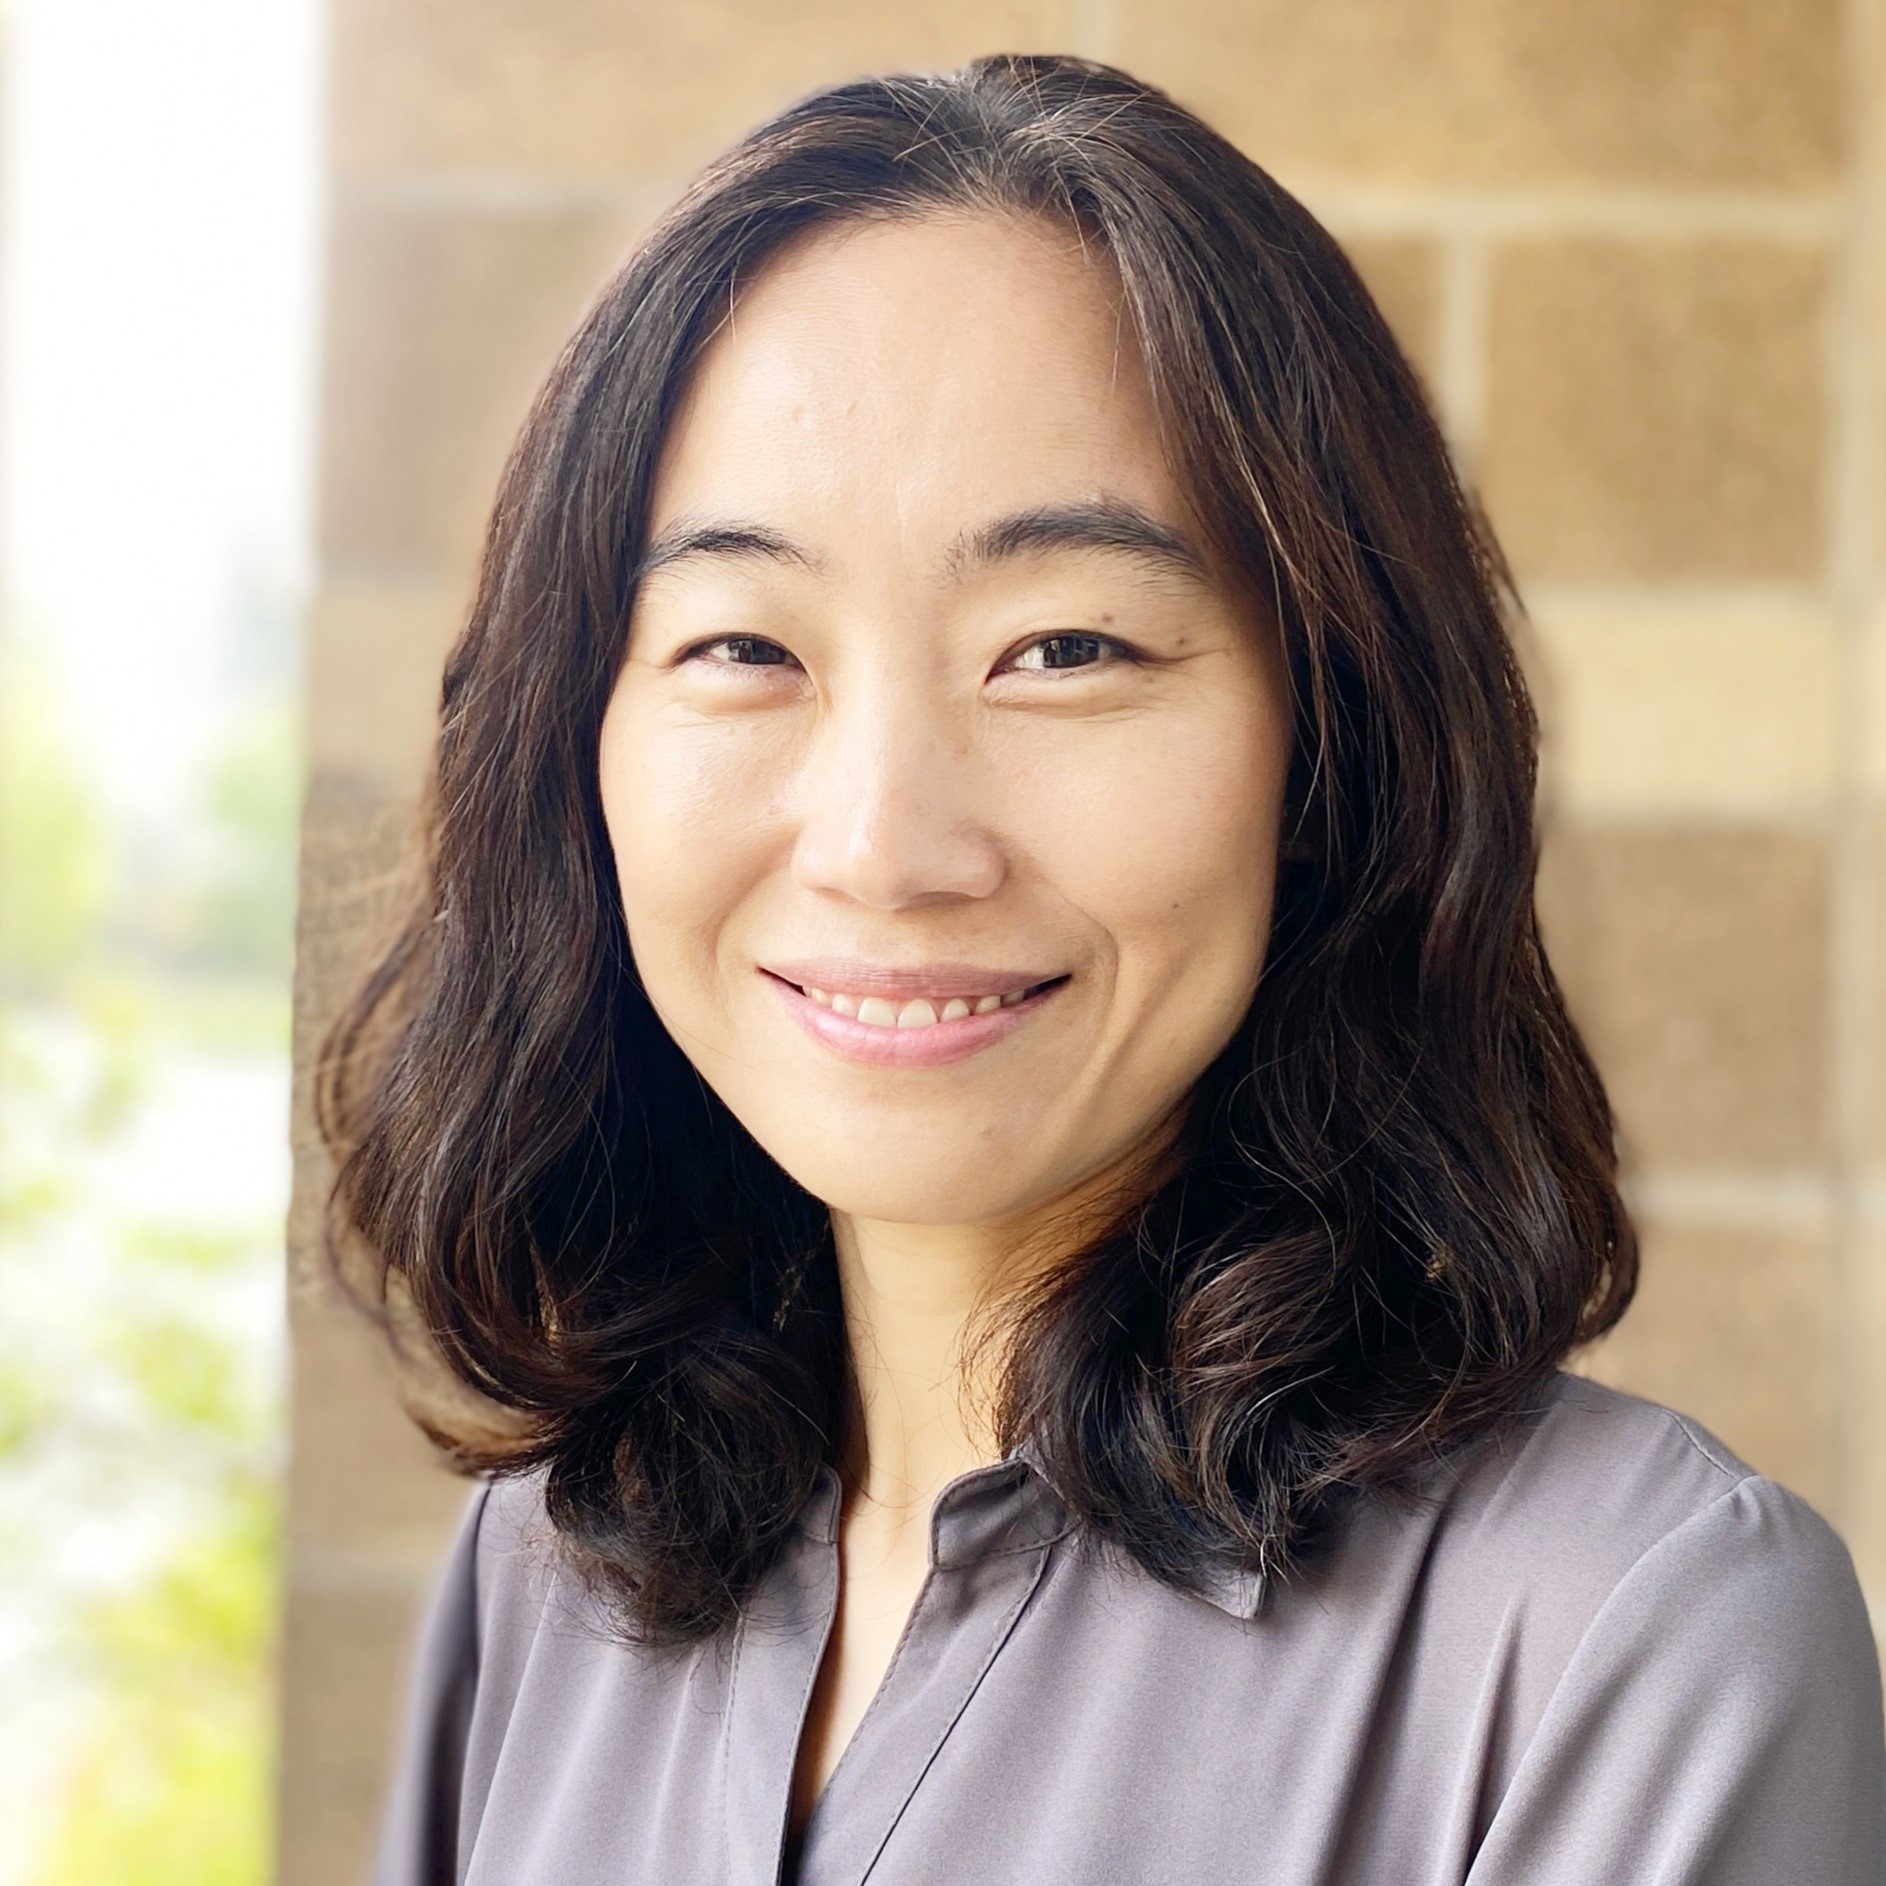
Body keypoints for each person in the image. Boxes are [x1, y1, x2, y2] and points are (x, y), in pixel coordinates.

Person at [319, 53, 1886, 1886]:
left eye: (1064, 647)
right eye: (743, 642)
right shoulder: (541, 1575)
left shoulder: (1623, 1631)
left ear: (1335, 741)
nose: (886, 842)